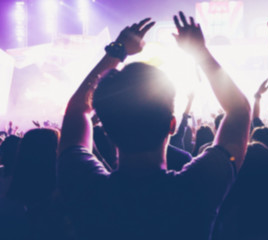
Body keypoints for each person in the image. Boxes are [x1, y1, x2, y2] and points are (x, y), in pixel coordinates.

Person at [58, 13, 250, 240]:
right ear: (172, 125)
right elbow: (239, 111)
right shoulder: (195, 190)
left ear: (107, 130)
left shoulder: (87, 189)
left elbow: (76, 110)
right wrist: (200, 53)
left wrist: (117, 51)